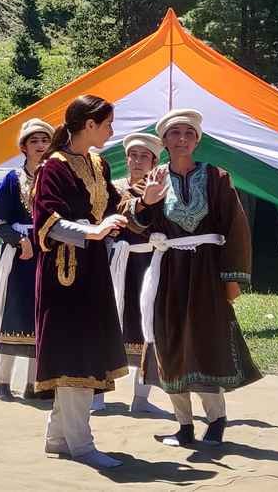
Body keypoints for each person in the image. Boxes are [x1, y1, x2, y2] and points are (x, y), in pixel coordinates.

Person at [126, 109, 262, 447]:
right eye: (174, 133)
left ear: (197, 141)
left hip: (206, 274)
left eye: (189, 133)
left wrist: (232, 278)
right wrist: (145, 202)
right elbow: (130, 224)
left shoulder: (216, 177)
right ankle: (184, 425)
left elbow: (236, 228)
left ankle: (216, 420)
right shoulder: (152, 179)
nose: (182, 139)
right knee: (169, 342)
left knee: (206, 341)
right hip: (169, 272)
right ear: (164, 141)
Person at [32, 95, 129, 469]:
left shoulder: (98, 163)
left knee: (85, 350)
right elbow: (47, 221)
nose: (111, 131)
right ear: (89, 125)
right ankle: (82, 445)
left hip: (93, 271)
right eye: (107, 124)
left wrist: (143, 202)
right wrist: (93, 231)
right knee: (74, 353)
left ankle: (59, 438)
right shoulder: (52, 168)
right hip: (65, 274)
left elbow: (114, 207)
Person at [0, 118, 53, 401]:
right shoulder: (11, 180)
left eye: (45, 140)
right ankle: (3, 381)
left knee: (41, 315)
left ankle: (34, 384)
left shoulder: (55, 179)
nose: (40, 146)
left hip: (47, 254)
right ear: (23, 147)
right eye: (34, 141)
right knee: (13, 312)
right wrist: (19, 240)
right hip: (19, 256)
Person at [107, 132, 168, 416]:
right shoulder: (112, 188)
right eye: (133, 155)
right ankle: (97, 396)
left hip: (148, 263)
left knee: (147, 324)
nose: (138, 161)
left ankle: (141, 398)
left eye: (145, 156)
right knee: (107, 323)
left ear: (154, 162)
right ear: (126, 158)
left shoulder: (163, 190)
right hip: (116, 263)